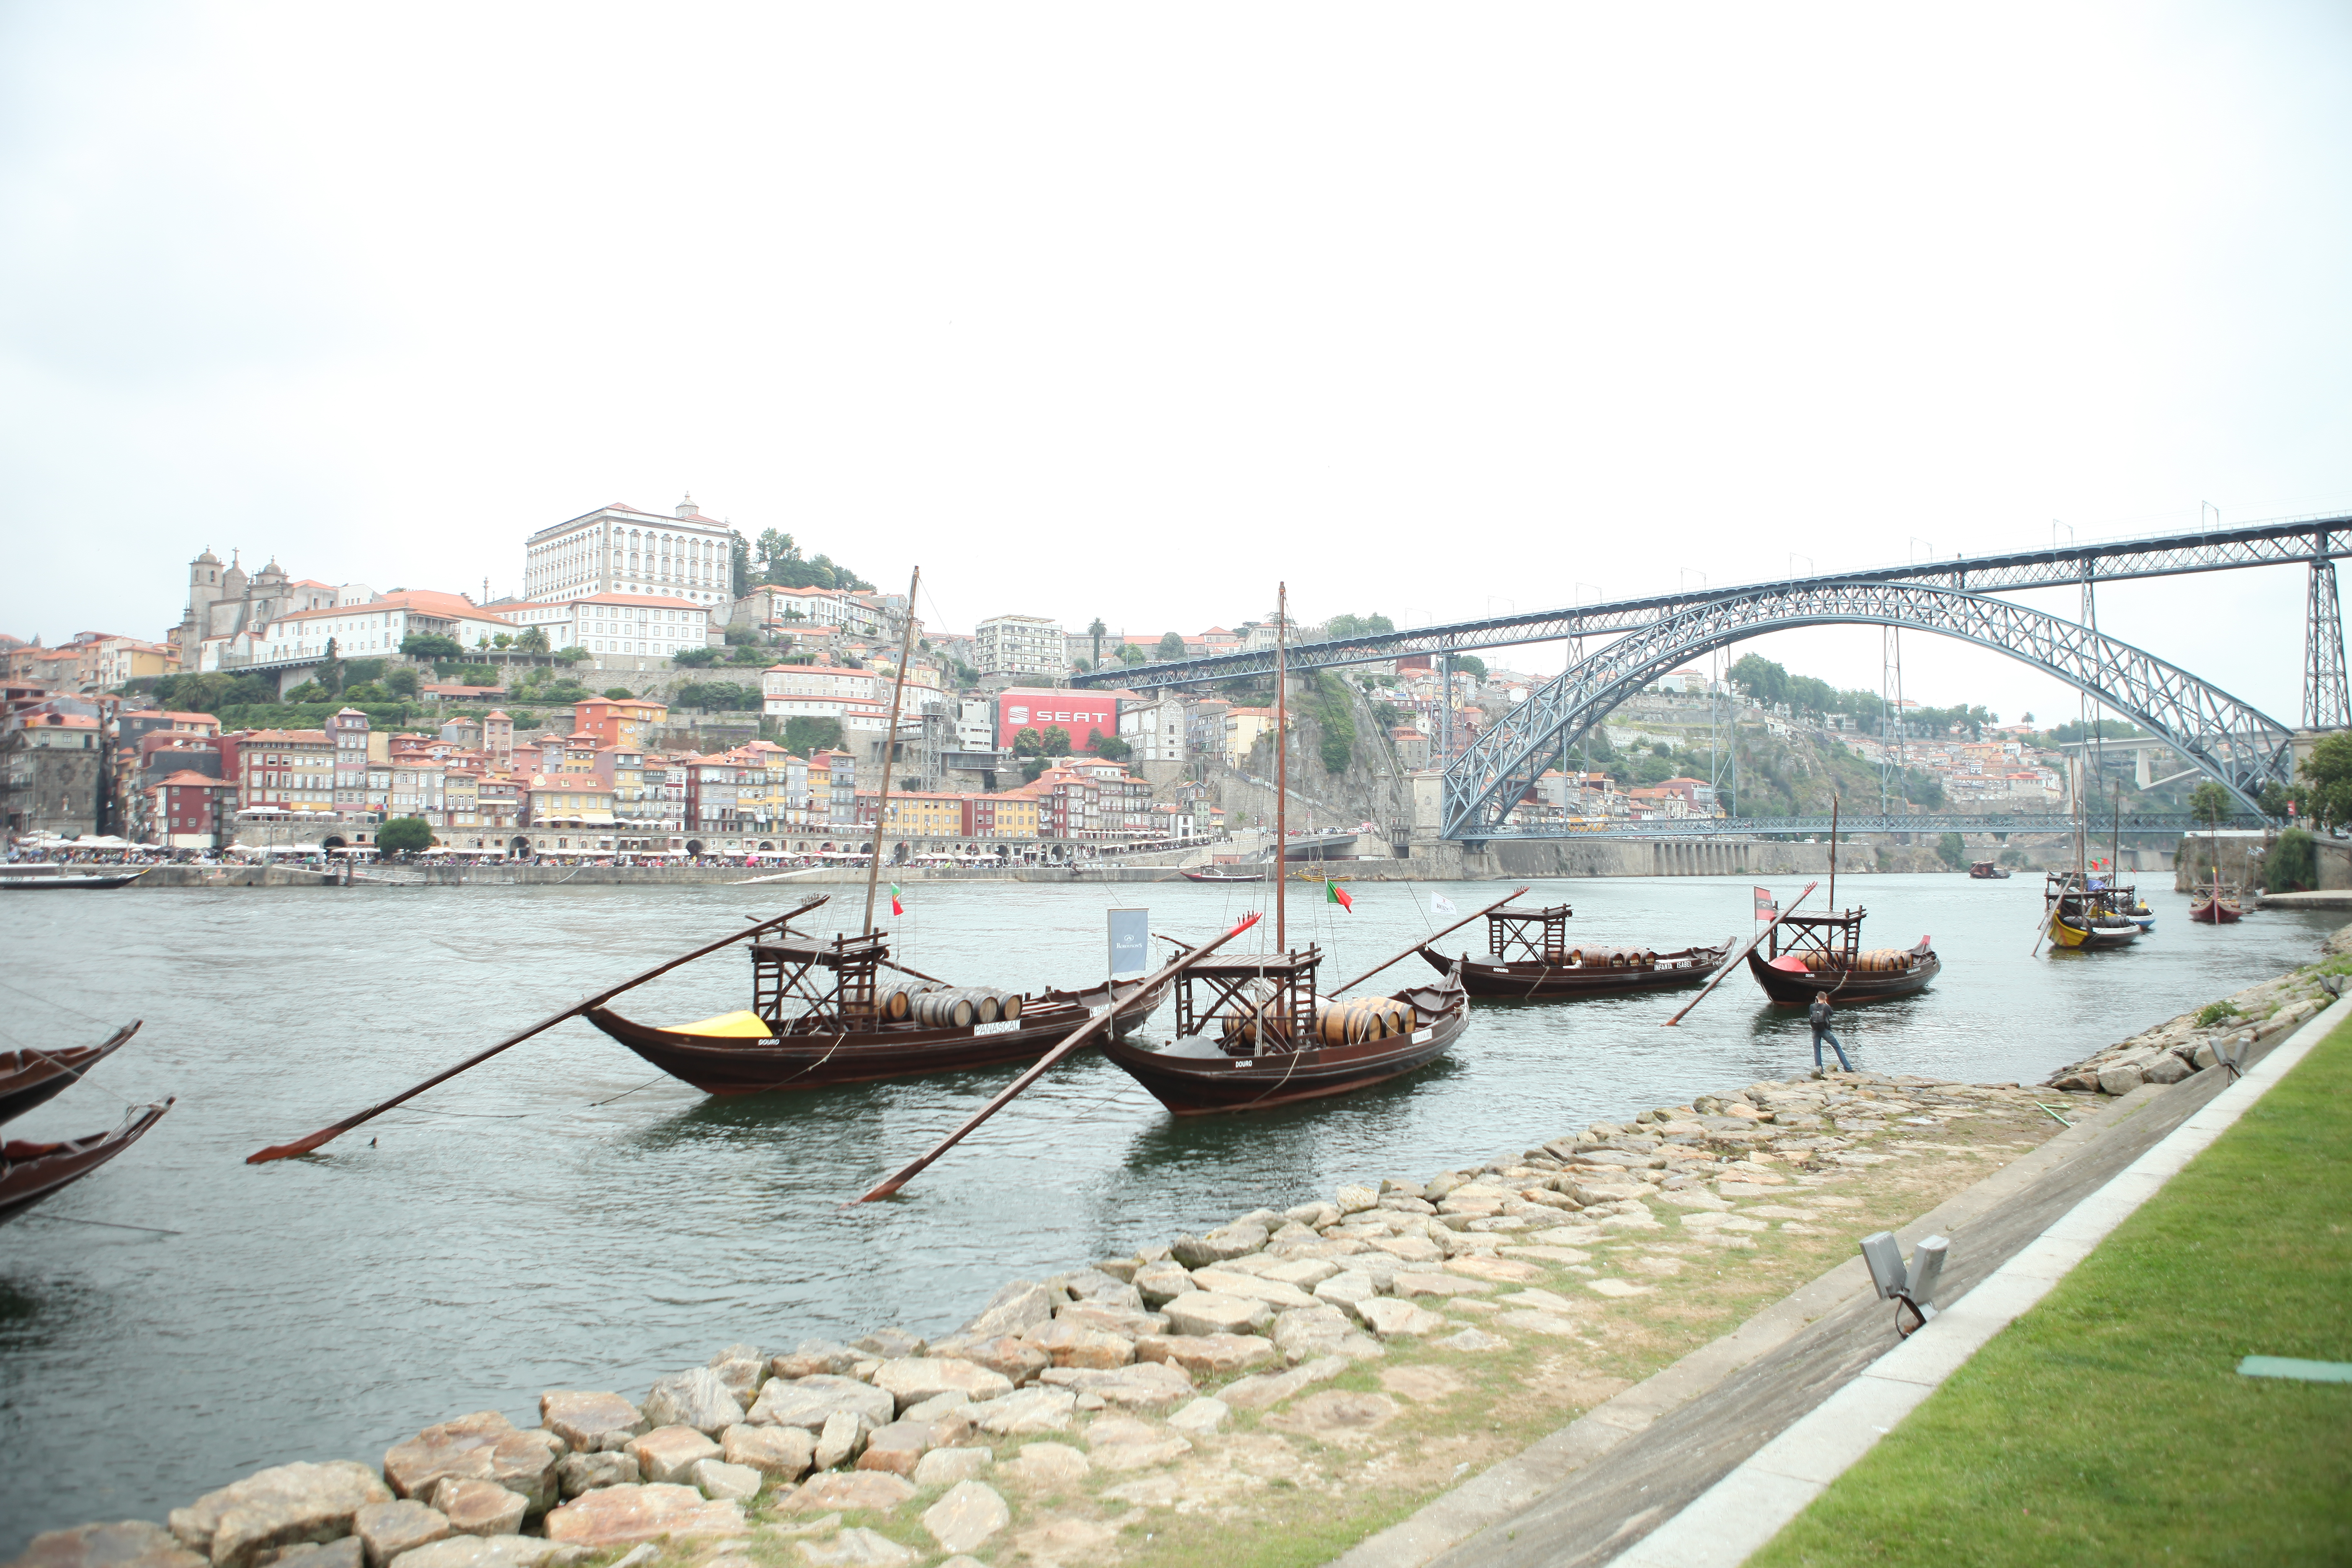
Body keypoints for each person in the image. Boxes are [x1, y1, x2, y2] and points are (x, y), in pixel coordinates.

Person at [1808, 990, 1853, 1075]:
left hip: (1815, 1031)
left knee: (1817, 1050)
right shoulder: (1826, 1007)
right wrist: (1826, 1004)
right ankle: (1848, 1068)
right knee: (1837, 1048)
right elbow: (1832, 1014)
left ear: (1817, 998)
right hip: (1825, 1031)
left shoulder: (1812, 1007)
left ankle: (1819, 1071)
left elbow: (1811, 1015)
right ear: (1826, 998)